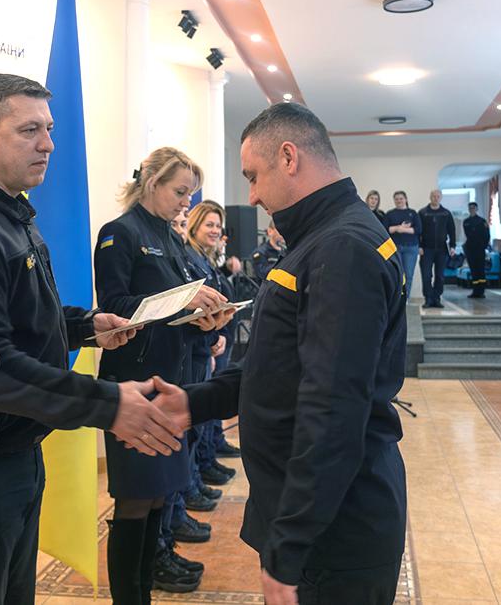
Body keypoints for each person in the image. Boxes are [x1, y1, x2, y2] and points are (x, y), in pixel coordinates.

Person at [0, 74, 187, 604]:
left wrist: (85, 327)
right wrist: (108, 404)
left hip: (10, 450)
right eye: (30, 130)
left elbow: (19, 317)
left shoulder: (7, 213)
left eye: (49, 129)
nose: (48, 144)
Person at [158, 102, 408, 605]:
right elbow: (279, 367)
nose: (251, 195)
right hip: (323, 519)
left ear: (289, 157)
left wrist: (290, 544)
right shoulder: (321, 236)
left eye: (253, 176)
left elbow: (332, 406)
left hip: (337, 529)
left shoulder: (342, 247)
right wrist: (193, 403)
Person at [93, 147, 235, 604]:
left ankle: (147, 583)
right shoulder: (119, 233)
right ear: (152, 183)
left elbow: (175, 310)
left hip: (171, 381)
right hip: (136, 384)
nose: (186, 202)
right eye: (180, 192)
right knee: (135, 500)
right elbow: (115, 308)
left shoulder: (171, 238)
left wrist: (205, 320)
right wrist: (183, 303)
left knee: (158, 496)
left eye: (190, 194)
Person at [418, 189, 456, 308]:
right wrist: (419, 246)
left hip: (442, 249)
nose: (436, 198)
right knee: (426, 275)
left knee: (440, 276)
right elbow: (418, 231)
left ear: (441, 198)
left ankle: (437, 298)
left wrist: (453, 246)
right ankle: (428, 299)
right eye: (433, 196)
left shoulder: (446, 213)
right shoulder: (423, 213)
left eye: (438, 196)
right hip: (426, 249)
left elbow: (452, 230)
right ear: (430, 197)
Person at [384, 191, 422, 301]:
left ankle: (405, 300)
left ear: (406, 199)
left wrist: (402, 229)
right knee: (396, 275)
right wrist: (398, 228)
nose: (399, 201)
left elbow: (418, 230)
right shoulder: (390, 214)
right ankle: (396, 300)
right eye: (396, 199)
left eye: (401, 198)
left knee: (408, 275)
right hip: (394, 248)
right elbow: (385, 229)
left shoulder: (413, 213)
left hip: (411, 248)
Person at [462, 202, 492, 299]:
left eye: (473, 208)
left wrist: (483, 246)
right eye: (470, 208)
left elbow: (487, 235)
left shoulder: (482, 221)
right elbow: (468, 235)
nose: (472, 210)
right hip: (470, 249)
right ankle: (475, 291)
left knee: (480, 270)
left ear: (476, 209)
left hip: (480, 248)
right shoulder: (466, 222)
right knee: (473, 270)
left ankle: (481, 291)